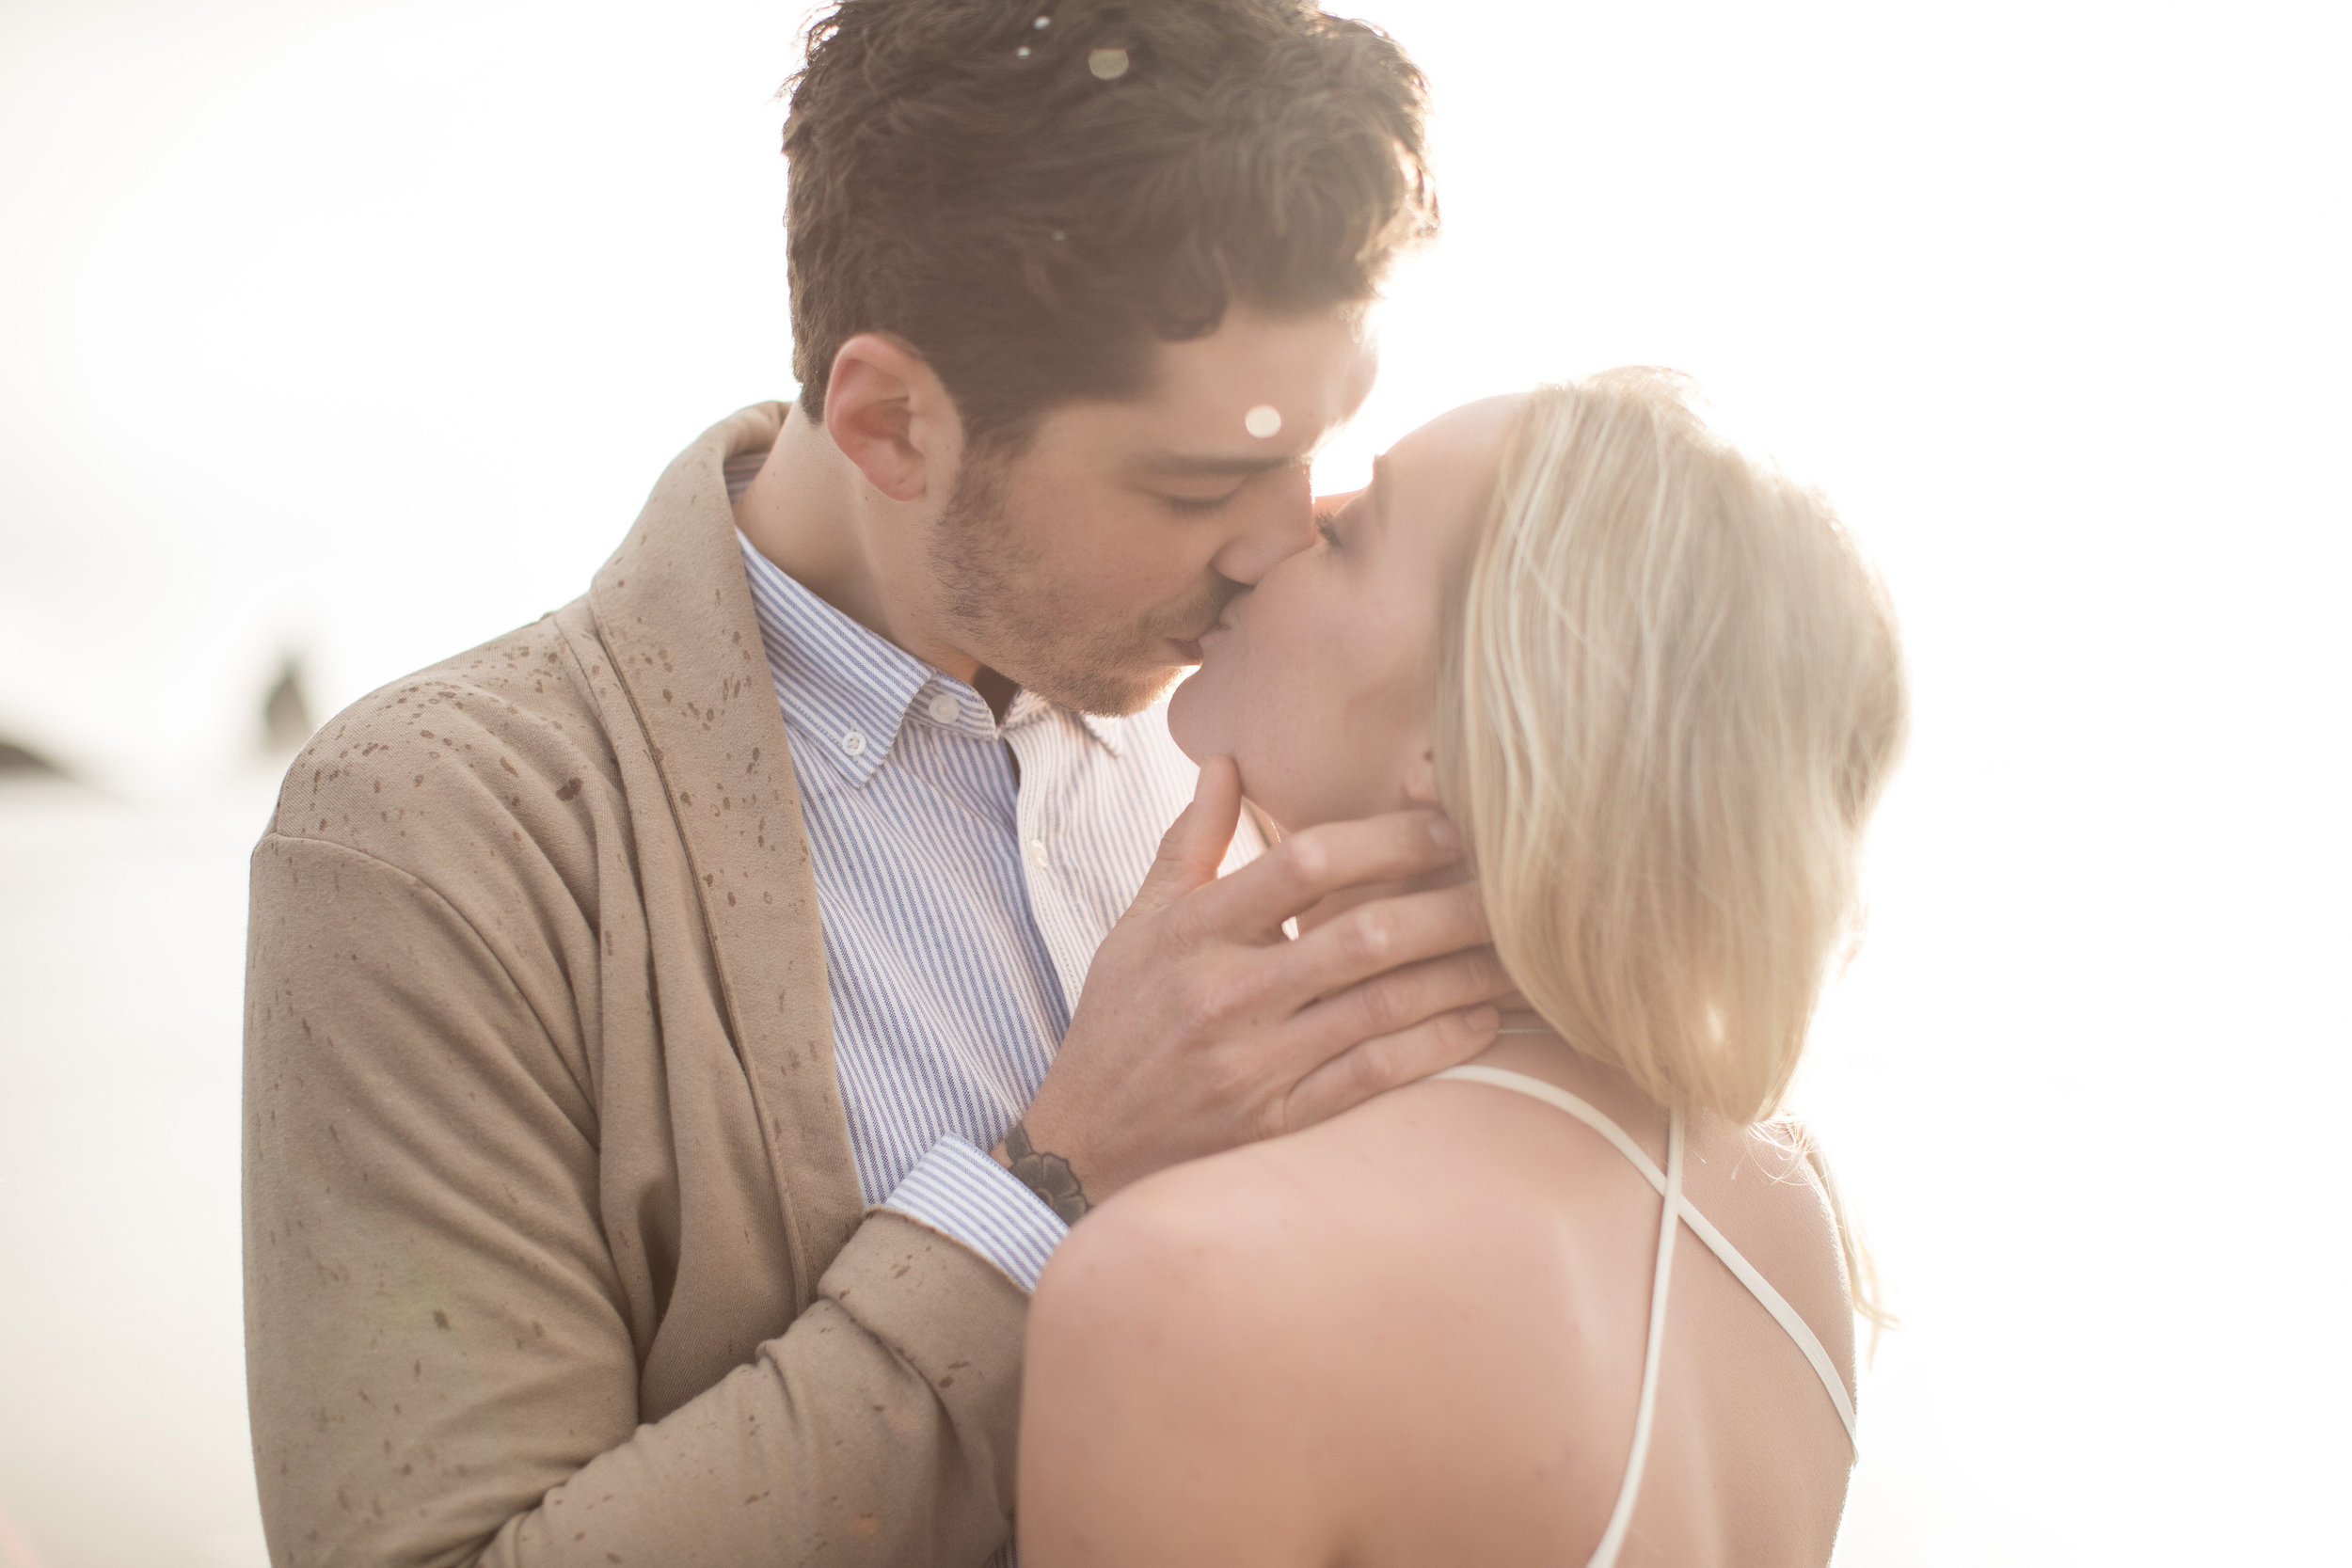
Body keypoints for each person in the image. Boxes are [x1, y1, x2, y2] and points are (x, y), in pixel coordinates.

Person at [239, 4, 1512, 1565]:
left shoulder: (1312, 732)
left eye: (1312, 449)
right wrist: (1052, 1184)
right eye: (1191, 483)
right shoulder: (435, 835)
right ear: (889, 422)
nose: (1274, 543)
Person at [1018, 372, 1911, 1566]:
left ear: (1460, 739)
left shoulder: (1192, 1284)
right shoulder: (1782, 1220)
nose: (1277, 535)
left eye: (1347, 533)